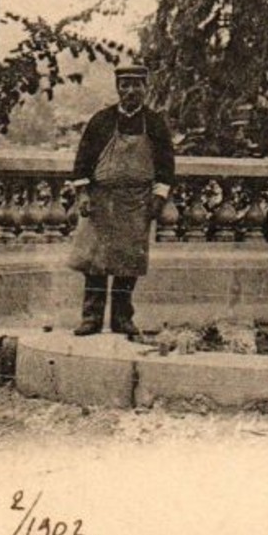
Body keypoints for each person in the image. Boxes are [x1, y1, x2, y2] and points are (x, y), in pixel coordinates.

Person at [67, 64, 175, 336]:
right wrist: (83, 194)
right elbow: (82, 162)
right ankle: (91, 318)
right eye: (124, 84)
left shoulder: (155, 123)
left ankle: (121, 319)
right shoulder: (101, 120)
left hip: (137, 202)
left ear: (145, 87)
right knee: (95, 262)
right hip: (102, 200)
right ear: (118, 87)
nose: (130, 91)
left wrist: (158, 198)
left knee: (129, 263)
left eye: (136, 84)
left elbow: (166, 166)